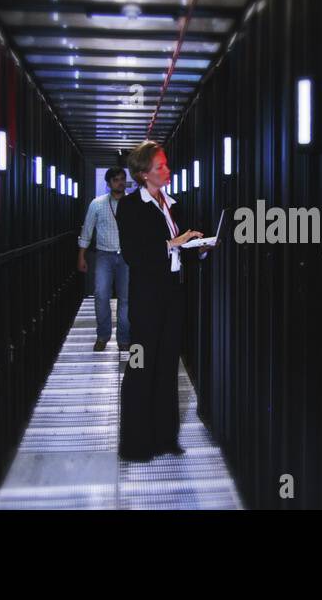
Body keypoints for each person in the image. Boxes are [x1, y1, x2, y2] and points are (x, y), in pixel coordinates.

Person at [117, 140, 211, 461]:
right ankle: (136, 444)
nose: (167, 170)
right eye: (161, 166)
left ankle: (165, 438)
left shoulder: (173, 203)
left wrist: (198, 248)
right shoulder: (130, 207)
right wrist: (173, 242)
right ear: (144, 174)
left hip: (172, 293)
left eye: (166, 165)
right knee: (142, 366)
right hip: (146, 297)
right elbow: (134, 255)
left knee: (168, 364)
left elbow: (178, 251)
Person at [77, 166, 132, 352]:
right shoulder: (97, 203)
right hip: (104, 255)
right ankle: (103, 335)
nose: (120, 182)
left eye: (123, 179)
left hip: (127, 256)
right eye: (116, 179)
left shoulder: (133, 202)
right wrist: (81, 256)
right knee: (101, 295)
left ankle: (124, 339)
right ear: (108, 183)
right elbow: (87, 229)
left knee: (126, 299)